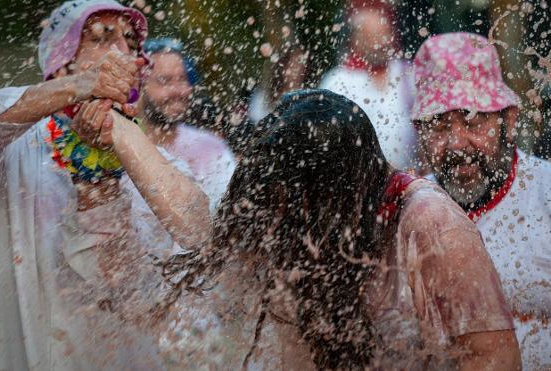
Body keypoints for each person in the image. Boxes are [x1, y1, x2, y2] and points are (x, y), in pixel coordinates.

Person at [0, 0, 211, 370]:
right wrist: (80, 88)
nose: (121, 52)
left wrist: (102, 183)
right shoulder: (12, 147)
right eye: (100, 38)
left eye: (130, 42)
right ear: (61, 66)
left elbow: (179, 254)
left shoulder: (154, 164)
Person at [151, 90, 520, 369]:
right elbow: (204, 232)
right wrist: (118, 125)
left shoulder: (429, 221)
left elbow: (494, 358)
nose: (288, 211)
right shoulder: (294, 213)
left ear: (342, 187)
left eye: (300, 196)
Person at [413, 32, 551, 370]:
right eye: (440, 126)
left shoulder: (545, 193)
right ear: (419, 132)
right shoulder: (412, 213)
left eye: (474, 120)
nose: (458, 143)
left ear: (510, 120)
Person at [320, 0, 417, 171]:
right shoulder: (337, 81)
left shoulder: (408, 73)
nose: (381, 43)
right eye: (372, 37)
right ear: (356, 40)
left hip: (409, 179)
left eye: (384, 35)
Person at [140, 38, 236, 211]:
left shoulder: (210, 149)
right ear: (138, 86)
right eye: (164, 81)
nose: (179, 91)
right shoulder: (120, 148)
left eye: (183, 79)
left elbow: (229, 217)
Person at [248, 45, 310, 123]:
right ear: (283, 66)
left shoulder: (310, 95)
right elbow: (256, 122)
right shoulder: (263, 96)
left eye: (302, 63)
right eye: (294, 63)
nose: (298, 68)